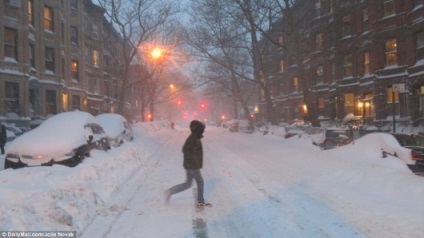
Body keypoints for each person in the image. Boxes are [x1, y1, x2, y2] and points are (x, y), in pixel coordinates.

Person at [164, 120, 211, 207]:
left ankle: (170, 192)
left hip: (190, 165)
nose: (203, 130)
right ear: (197, 129)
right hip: (193, 166)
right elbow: (185, 149)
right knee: (200, 182)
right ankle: (200, 201)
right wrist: (194, 160)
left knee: (187, 184)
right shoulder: (193, 138)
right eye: (201, 129)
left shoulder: (195, 137)